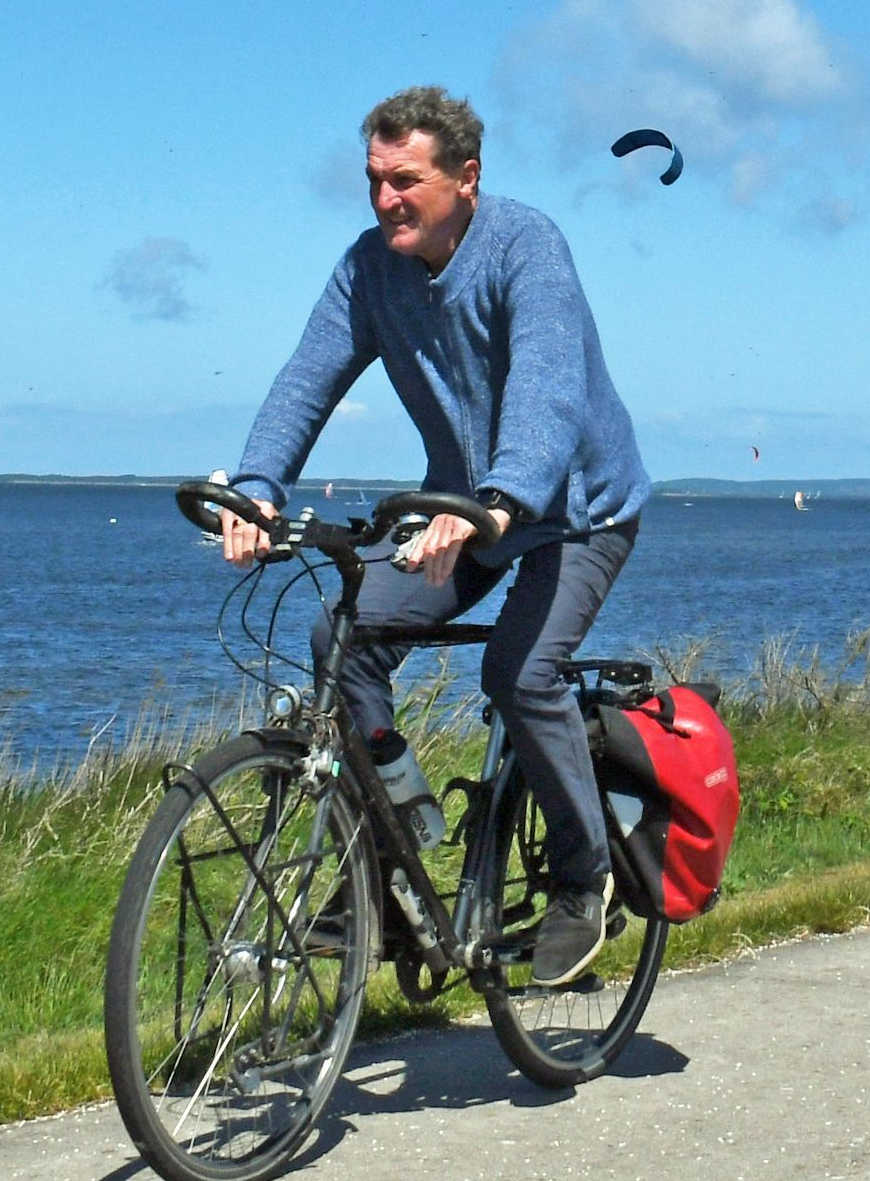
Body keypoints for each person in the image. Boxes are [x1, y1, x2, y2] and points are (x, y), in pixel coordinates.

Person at [222, 86, 652, 982]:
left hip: (576, 510)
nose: (385, 199)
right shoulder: (368, 269)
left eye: (405, 180)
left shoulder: (526, 247)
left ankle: (584, 878)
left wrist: (498, 499)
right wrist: (258, 486)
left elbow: (546, 391)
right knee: (341, 637)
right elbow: (306, 379)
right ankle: (390, 861)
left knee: (519, 673)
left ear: (466, 177)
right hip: (465, 505)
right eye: (374, 180)